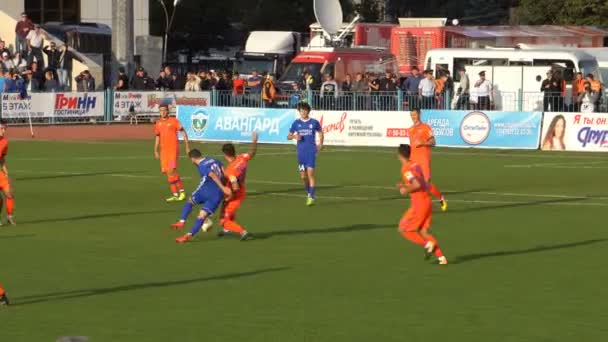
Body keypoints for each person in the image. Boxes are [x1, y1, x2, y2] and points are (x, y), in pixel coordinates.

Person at [396, 144, 448, 265]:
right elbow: (423, 184)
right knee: (423, 232)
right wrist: (404, 186)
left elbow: (416, 185)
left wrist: (405, 190)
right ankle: (442, 258)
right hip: (427, 202)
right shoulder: (415, 165)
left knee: (403, 229)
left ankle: (427, 244)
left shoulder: (406, 169)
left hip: (418, 205)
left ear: (399, 155)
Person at [173, 149, 232, 243]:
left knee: (190, 202)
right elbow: (224, 173)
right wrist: (225, 187)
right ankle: (187, 235)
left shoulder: (202, 166)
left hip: (206, 190)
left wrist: (223, 187)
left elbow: (212, 174)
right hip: (217, 194)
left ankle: (182, 222)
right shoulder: (214, 160)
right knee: (201, 215)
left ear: (192, 159)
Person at [213, 133, 259, 240]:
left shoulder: (230, 170)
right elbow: (252, 153)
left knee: (223, 220)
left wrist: (230, 196)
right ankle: (227, 229)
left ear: (225, 154)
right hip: (240, 190)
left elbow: (235, 186)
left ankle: (243, 232)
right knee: (227, 211)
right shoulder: (242, 158)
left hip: (235, 194)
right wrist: (254, 141)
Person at [409, 109, 447, 211]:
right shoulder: (410, 129)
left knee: (426, 184)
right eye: (411, 115)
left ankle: (441, 198)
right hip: (413, 161)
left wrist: (423, 143)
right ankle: (420, 206)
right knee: (415, 184)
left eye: (415, 114)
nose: (413, 117)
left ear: (419, 114)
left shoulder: (426, 127)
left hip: (424, 160)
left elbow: (433, 142)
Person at [287, 102, 324, 206]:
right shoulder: (296, 123)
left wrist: (320, 144)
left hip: (311, 152)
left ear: (308, 111)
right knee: (303, 177)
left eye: (304, 110)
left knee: (310, 174)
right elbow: (288, 136)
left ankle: (311, 197)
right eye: (301, 111)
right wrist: (294, 137)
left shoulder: (314, 122)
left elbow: (320, 132)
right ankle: (309, 192)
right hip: (300, 153)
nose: (302, 112)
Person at [154, 104, 191, 202]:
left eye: (164, 110)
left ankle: (182, 192)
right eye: (161, 110)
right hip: (163, 152)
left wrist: (187, 146)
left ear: (168, 111)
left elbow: (183, 131)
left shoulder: (174, 121)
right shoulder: (158, 123)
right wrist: (155, 150)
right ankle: (175, 194)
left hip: (172, 151)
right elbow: (157, 136)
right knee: (167, 173)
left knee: (172, 170)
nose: (163, 112)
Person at [0, 121, 16, 225]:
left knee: (9, 194)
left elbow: (2, 159)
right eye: (1, 128)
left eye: (5, 128)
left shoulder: (4, 142)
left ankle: (9, 217)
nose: (3, 130)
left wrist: (6, 172)